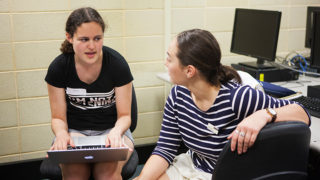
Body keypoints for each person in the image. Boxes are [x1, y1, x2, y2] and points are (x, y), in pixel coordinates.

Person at [134, 29, 310, 180]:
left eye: (169, 58)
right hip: (193, 166)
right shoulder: (178, 94)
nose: (165, 63)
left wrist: (263, 115)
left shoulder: (237, 98)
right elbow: (165, 148)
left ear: (189, 71)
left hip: (225, 175)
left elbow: (302, 113)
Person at [45, 7, 134, 180]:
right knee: (74, 173)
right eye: (84, 39)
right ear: (69, 38)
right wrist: (62, 135)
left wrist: (116, 132)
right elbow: (58, 118)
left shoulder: (117, 64)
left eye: (97, 38)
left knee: (107, 173)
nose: (92, 46)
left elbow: (125, 116)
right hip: (75, 132)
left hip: (111, 131)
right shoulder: (59, 67)